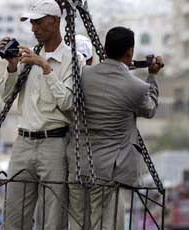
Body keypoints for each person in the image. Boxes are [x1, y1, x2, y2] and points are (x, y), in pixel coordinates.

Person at [0, 0, 85, 229]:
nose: (34, 29)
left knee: (52, 218)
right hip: (23, 143)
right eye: (32, 23)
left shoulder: (73, 60)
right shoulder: (27, 58)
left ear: (54, 21)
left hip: (54, 144)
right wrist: (12, 66)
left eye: (38, 23)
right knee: (14, 216)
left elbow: (68, 102)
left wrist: (46, 68)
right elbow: (7, 97)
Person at [67, 26, 164, 229]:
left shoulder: (83, 76)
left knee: (76, 221)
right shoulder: (136, 87)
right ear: (129, 52)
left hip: (78, 163)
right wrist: (152, 76)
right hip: (109, 171)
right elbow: (150, 109)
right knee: (105, 223)